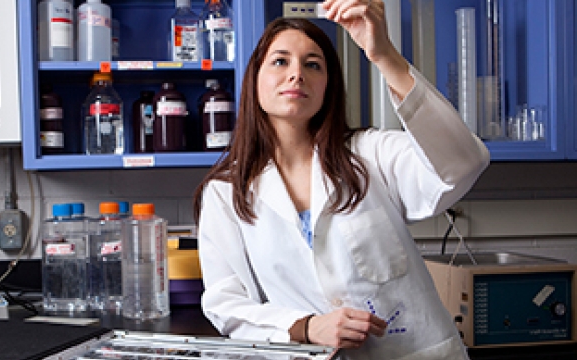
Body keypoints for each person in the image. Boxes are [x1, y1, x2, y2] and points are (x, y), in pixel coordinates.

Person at [192, 0, 490, 359]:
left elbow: (463, 162)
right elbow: (225, 303)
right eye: (280, 61)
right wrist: (305, 326)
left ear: (328, 86)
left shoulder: (371, 155)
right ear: (255, 78)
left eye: (313, 65)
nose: (296, 73)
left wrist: (384, 56)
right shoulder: (227, 191)